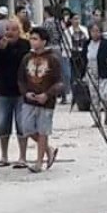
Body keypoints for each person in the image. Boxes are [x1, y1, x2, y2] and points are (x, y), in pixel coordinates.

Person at [16, 25, 63, 173]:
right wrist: (25, 93)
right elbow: (21, 79)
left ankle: (39, 162)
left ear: (44, 41)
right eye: (31, 38)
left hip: (46, 102)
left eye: (35, 39)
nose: (32, 41)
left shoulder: (53, 59)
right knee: (26, 128)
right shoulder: (26, 58)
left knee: (43, 131)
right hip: (29, 100)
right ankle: (49, 150)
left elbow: (60, 82)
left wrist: (47, 95)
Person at [0, 19, 31, 167]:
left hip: (20, 91)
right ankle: (4, 156)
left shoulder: (25, 45)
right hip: (2, 89)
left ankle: (22, 157)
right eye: (7, 29)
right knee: (2, 124)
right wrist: (1, 49)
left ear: (19, 31)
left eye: (13, 29)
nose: (10, 32)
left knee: (22, 124)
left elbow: (23, 63)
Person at [78, 22, 107, 126]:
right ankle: (97, 119)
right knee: (94, 97)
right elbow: (83, 59)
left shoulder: (106, 44)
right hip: (91, 73)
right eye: (93, 31)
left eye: (97, 31)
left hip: (103, 73)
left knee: (104, 96)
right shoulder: (87, 44)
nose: (95, 34)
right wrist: (82, 74)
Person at [62, 13, 88, 104]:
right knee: (73, 76)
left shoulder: (84, 30)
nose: (77, 21)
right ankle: (74, 95)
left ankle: (81, 94)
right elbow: (65, 45)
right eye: (75, 19)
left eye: (78, 19)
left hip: (82, 55)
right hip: (72, 56)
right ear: (71, 20)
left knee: (81, 75)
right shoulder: (67, 32)